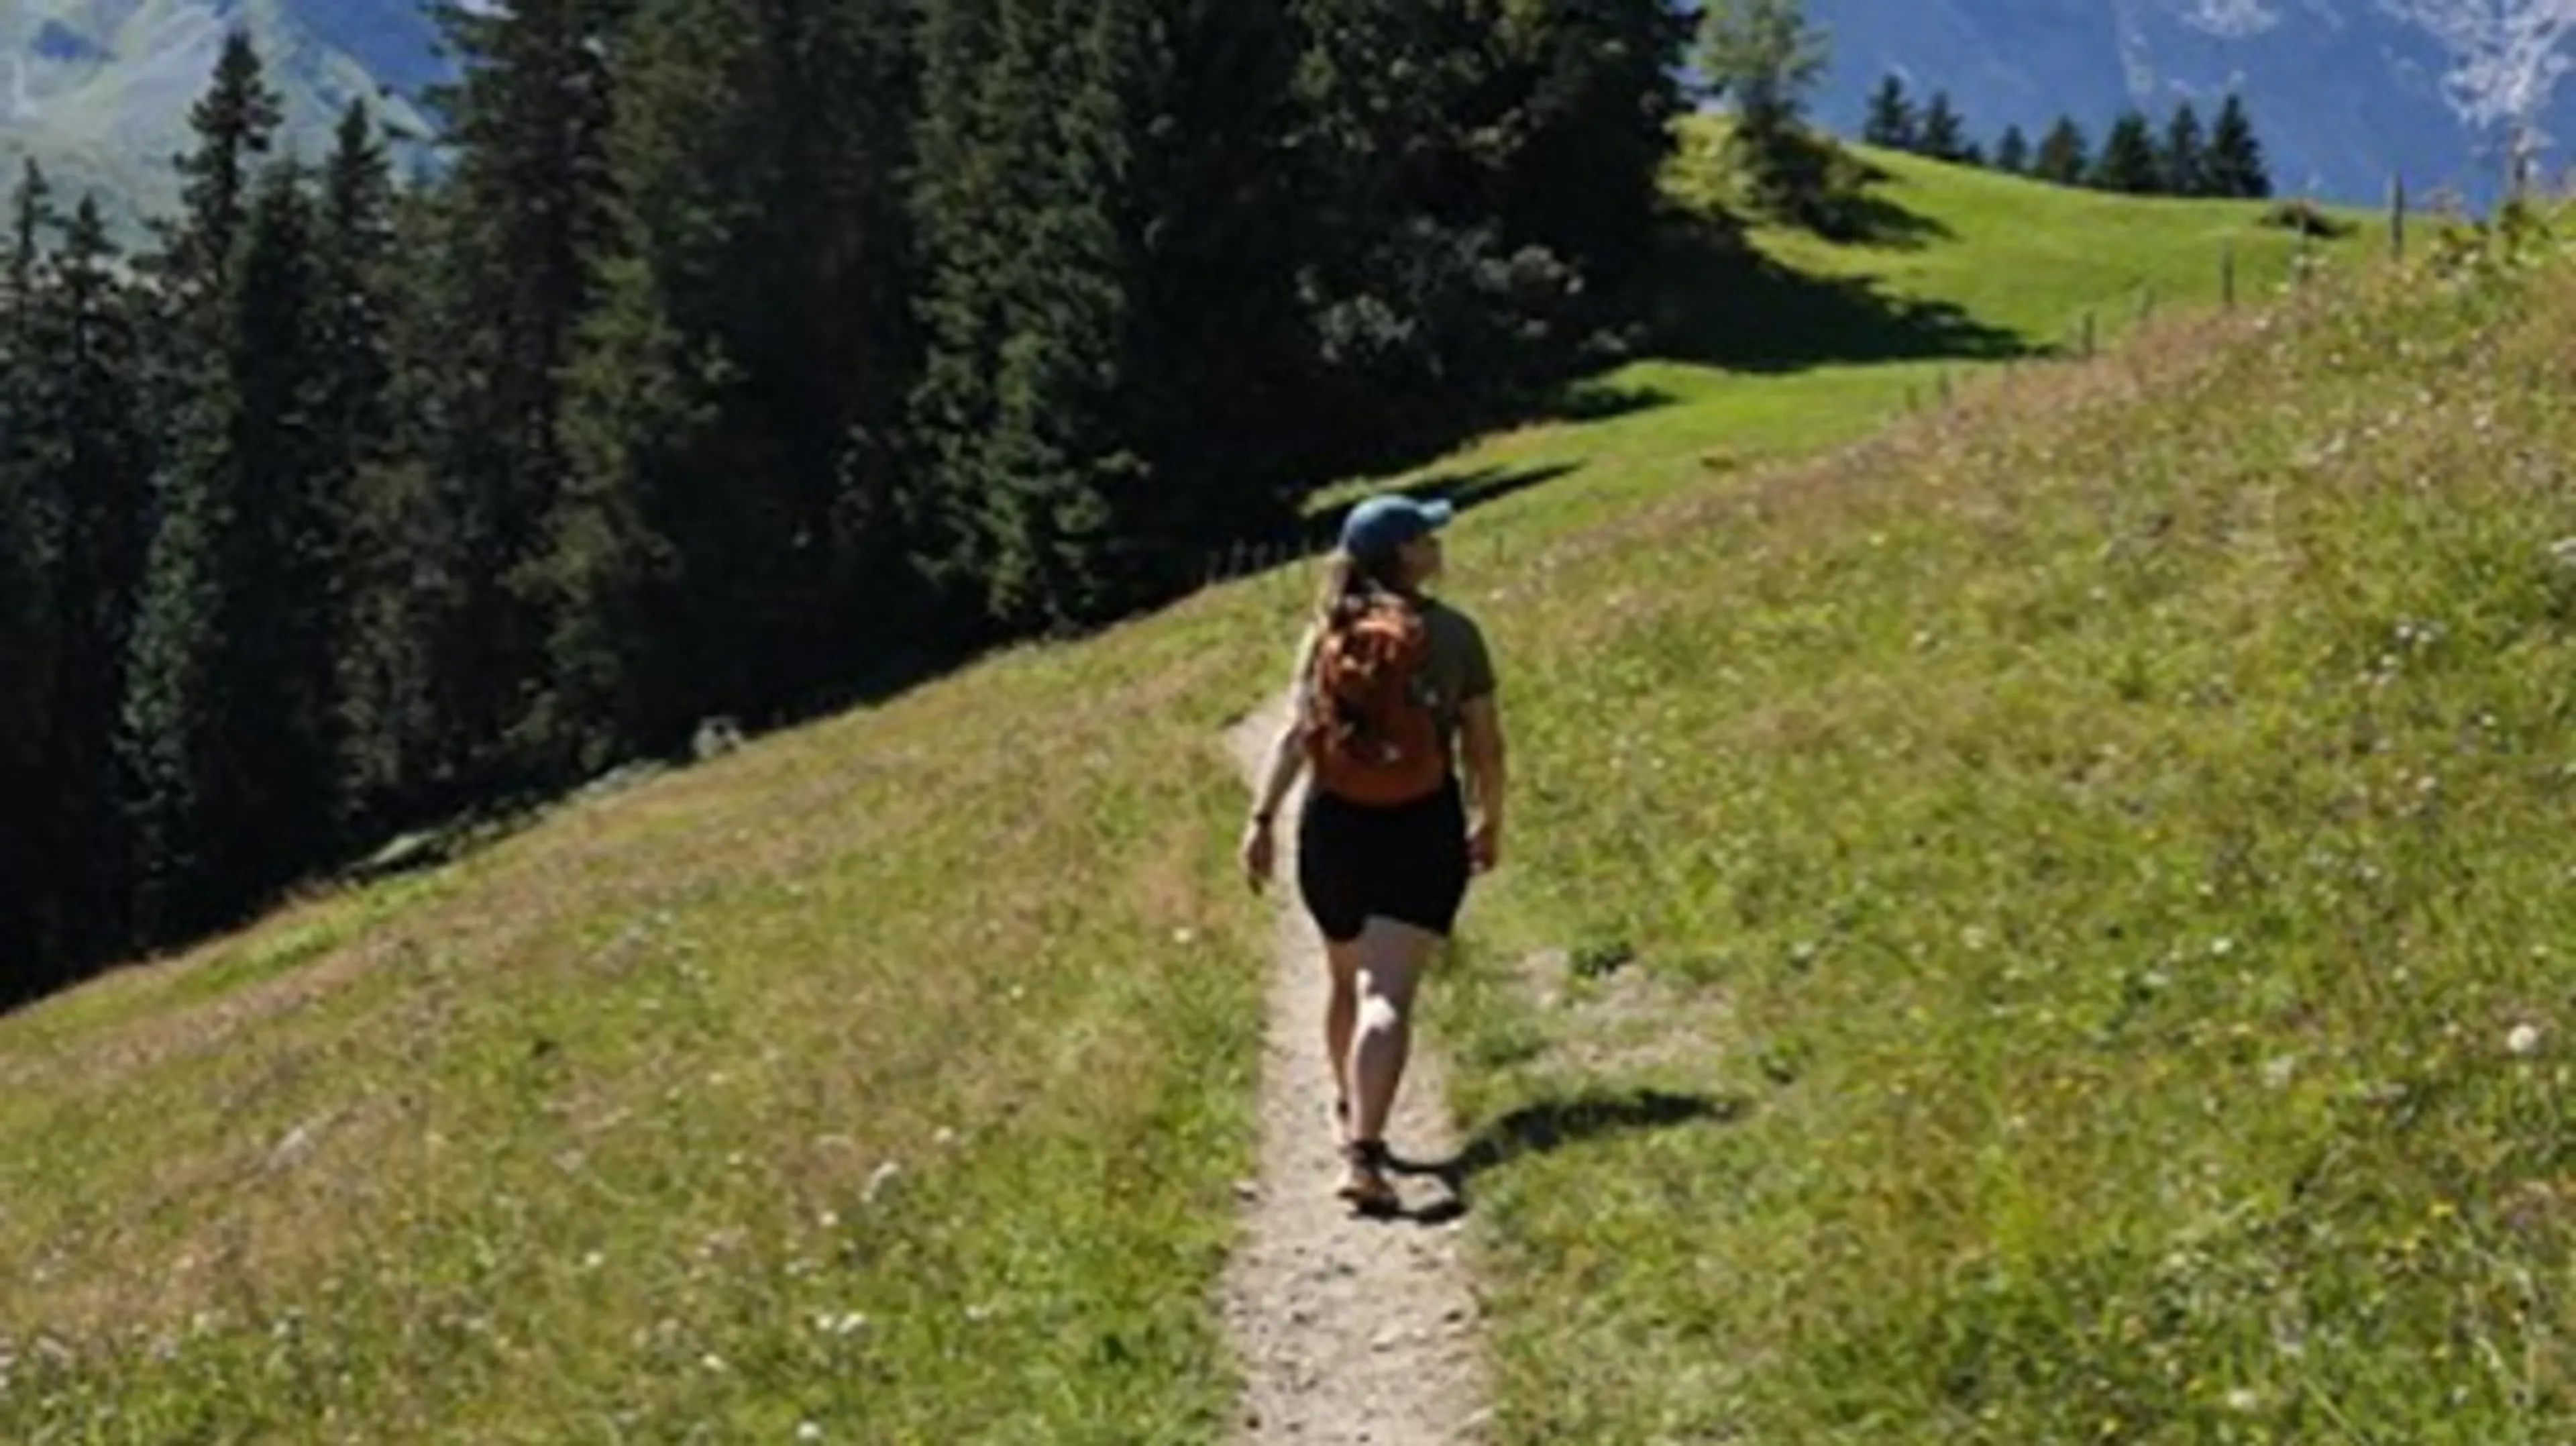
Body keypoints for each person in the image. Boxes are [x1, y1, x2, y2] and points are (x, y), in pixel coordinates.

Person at [1238, 491, 1507, 1213]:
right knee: (1385, 995)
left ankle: (1348, 1109)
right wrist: (1490, 818)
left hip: (1334, 827)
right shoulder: (1453, 635)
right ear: (1406, 555)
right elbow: (1483, 743)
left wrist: (1262, 818)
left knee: (1343, 978)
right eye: (1427, 536)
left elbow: (1297, 733)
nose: (1438, 545)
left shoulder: (1327, 630)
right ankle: (1365, 1150)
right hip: (1420, 823)